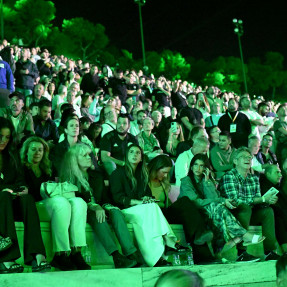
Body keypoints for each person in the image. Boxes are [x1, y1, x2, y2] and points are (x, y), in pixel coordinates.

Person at [61, 143, 141, 268]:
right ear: (75, 159)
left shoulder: (97, 176)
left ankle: (131, 254)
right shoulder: (69, 179)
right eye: (85, 155)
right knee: (98, 217)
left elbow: (104, 198)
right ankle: (116, 256)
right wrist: (94, 206)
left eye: (89, 154)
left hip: (100, 209)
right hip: (82, 213)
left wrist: (107, 206)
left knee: (116, 212)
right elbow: (74, 202)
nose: (89, 157)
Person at [20, 135, 89, 271]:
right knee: (61, 203)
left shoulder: (49, 168)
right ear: (26, 151)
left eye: (40, 150)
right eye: (33, 149)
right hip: (33, 206)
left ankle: (76, 251)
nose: (37, 153)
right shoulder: (21, 168)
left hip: (50, 202)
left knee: (79, 202)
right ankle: (60, 254)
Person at [110, 144, 183, 267]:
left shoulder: (142, 175)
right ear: (127, 155)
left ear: (141, 157)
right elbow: (118, 198)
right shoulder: (117, 173)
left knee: (152, 209)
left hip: (142, 211)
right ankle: (169, 240)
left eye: (137, 153)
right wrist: (138, 202)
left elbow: (148, 196)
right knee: (151, 209)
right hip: (124, 211)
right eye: (131, 152)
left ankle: (159, 256)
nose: (134, 155)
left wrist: (147, 198)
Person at [179, 154, 264, 256]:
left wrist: (207, 182)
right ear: (191, 166)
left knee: (218, 208)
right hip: (192, 214)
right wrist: (222, 201)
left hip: (209, 212)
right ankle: (243, 235)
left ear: (206, 168)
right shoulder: (186, 181)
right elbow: (196, 202)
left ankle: (220, 251)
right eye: (196, 165)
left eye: (201, 165)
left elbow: (213, 197)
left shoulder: (207, 181)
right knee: (217, 206)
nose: (198, 168)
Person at [0, 118, 50, 274]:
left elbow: (21, 180)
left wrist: (21, 189)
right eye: (0, 136)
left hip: (10, 201)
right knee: (4, 196)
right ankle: (6, 258)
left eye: (7, 137)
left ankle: (37, 255)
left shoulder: (11, 156)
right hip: (2, 201)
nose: (4, 140)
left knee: (27, 199)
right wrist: (6, 189)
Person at [148, 155, 214, 263]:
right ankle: (201, 245)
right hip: (153, 213)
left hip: (165, 212)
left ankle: (203, 253)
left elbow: (167, 204)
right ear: (156, 168)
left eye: (167, 172)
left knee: (188, 210)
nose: (165, 175)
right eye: (163, 172)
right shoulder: (144, 181)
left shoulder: (163, 182)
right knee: (185, 201)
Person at [219, 147, 281, 261]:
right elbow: (235, 201)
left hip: (249, 212)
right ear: (235, 161)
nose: (248, 159)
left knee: (268, 211)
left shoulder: (253, 178)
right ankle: (241, 253)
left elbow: (257, 201)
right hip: (232, 215)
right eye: (243, 157)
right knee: (244, 207)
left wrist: (267, 200)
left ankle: (269, 252)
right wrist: (262, 199)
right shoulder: (229, 176)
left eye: (249, 157)